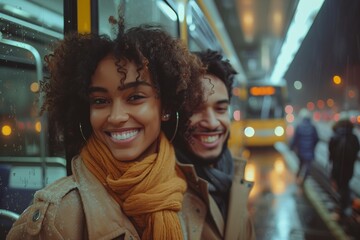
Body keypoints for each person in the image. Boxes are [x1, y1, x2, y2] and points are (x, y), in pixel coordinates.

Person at [6, 17, 205, 239]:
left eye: (135, 97)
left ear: (166, 107)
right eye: (100, 101)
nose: (117, 116)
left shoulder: (189, 193)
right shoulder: (59, 215)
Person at [173, 50, 255, 240]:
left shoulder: (233, 178)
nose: (211, 123)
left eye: (220, 109)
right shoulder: (162, 194)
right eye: (195, 108)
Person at [329, 119, 360, 219]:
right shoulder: (354, 138)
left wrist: (333, 173)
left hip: (338, 167)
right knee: (345, 186)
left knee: (341, 188)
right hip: (349, 168)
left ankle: (342, 210)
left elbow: (332, 155)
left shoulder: (335, 137)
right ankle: (349, 206)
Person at [290, 108, 319, 185]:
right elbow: (316, 138)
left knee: (301, 165)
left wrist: (292, 147)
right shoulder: (313, 127)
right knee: (308, 167)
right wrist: (313, 146)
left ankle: (298, 178)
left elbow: (295, 139)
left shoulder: (299, 127)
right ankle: (304, 180)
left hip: (301, 151)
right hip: (309, 151)